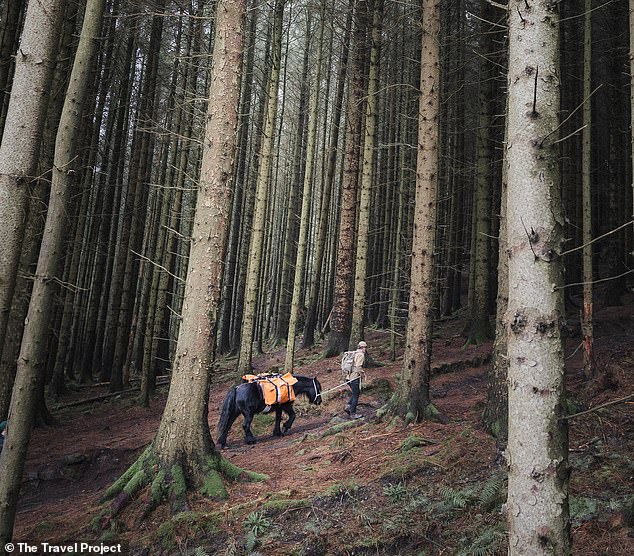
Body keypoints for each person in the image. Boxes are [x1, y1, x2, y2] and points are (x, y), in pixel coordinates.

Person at [344, 341, 367, 419]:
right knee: (356, 395)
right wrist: (363, 374)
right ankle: (353, 413)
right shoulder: (360, 355)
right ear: (362, 348)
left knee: (355, 393)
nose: (365, 349)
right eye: (365, 347)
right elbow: (358, 367)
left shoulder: (354, 353)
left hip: (348, 378)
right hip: (354, 378)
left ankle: (348, 406)